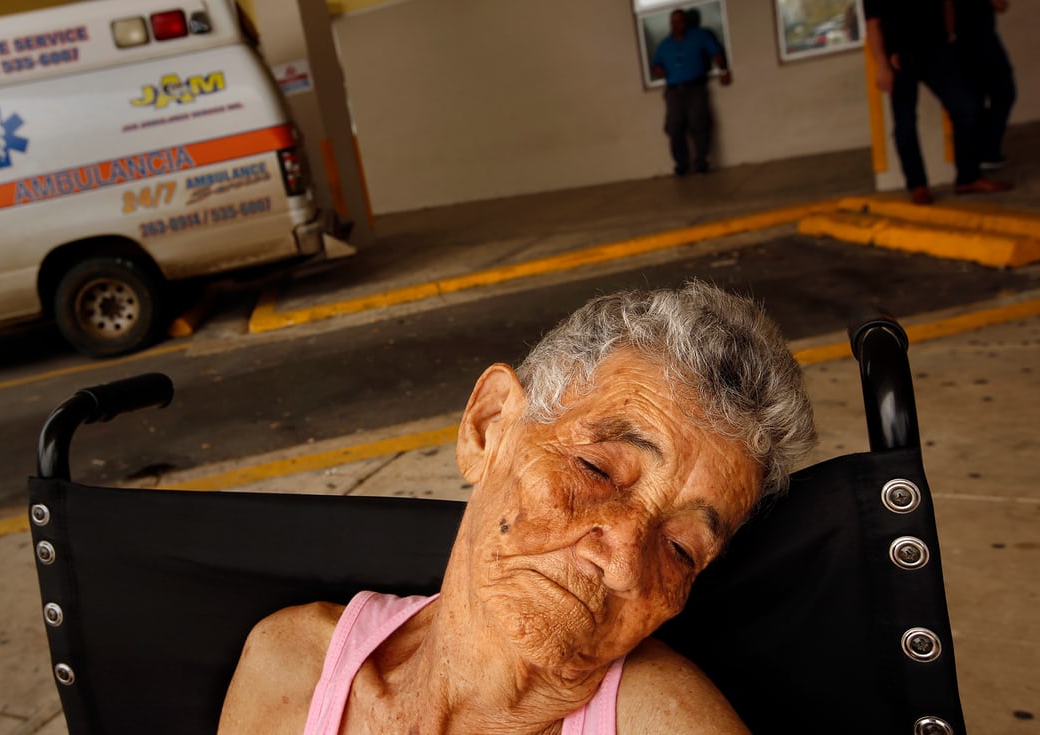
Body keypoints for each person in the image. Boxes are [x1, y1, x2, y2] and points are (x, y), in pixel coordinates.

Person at [218, 282, 818, 735]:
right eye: (596, 469)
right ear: (488, 427)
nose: (623, 561)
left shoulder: (666, 722)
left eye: (681, 548)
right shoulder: (291, 668)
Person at [864, 0, 1011, 205]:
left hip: (935, 50)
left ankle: (968, 177)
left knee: (966, 107)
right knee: (905, 122)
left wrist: (950, 34)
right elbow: (873, 25)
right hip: (899, 57)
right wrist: (882, 66)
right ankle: (917, 185)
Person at [651, 9, 731, 177]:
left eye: (679, 21)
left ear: (685, 22)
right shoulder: (665, 44)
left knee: (699, 123)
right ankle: (681, 165)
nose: (675, 25)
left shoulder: (699, 36)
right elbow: (656, 65)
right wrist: (659, 70)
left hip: (695, 86)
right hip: (674, 90)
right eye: (672, 22)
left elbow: (715, 53)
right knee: (674, 126)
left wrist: (723, 70)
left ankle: (701, 162)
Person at [954, 0, 1015, 170]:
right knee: (983, 97)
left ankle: (985, 151)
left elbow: (1001, 5)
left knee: (999, 94)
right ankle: (983, 153)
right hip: (969, 39)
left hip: (981, 36)